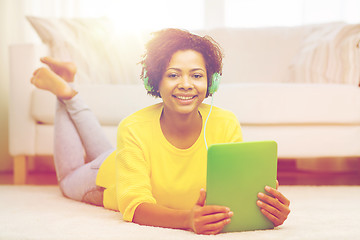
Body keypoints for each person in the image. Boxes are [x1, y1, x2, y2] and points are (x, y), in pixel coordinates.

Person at [31, 28, 290, 235]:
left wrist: (266, 208)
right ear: (154, 80)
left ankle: (68, 80)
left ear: (212, 81)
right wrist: (187, 220)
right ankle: (65, 91)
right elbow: (133, 206)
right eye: (173, 75)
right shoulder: (134, 127)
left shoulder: (226, 123)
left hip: (129, 157)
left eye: (197, 76)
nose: (186, 84)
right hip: (106, 176)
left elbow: (235, 190)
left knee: (106, 149)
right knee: (67, 180)